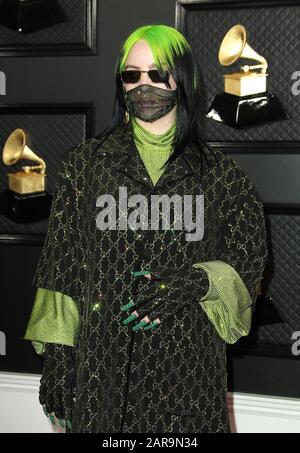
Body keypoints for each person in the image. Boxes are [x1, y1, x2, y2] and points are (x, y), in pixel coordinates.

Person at [24, 24, 268, 433]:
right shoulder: (85, 165)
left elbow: (249, 258)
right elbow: (61, 264)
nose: (143, 85)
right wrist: (58, 361)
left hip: (188, 374)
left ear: (182, 79)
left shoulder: (221, 177)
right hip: (101, 370)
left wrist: (195, 282)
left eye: (157, 73)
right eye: (131, 74)